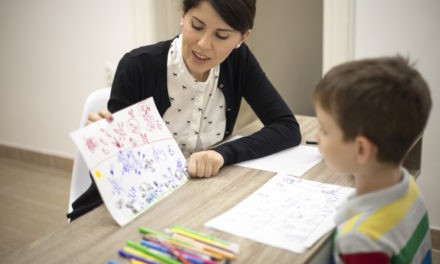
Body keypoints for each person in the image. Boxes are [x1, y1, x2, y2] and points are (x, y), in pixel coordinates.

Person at [67, 0, 301, 221]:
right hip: (134, 208)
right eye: (196, 26)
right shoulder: (137, 66)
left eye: (221, 35)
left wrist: (222, 154)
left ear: (243, 37)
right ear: (183, 15)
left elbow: (287, 127)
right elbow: (118, 176)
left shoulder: (239, 61)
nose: (203, 44)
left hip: (199, 197)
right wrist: (106, 144)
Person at [313, 56, 432, 263]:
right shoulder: (408, 187)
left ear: (361, 149)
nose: (316, 136)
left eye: (324, 130)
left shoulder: (360, 241)